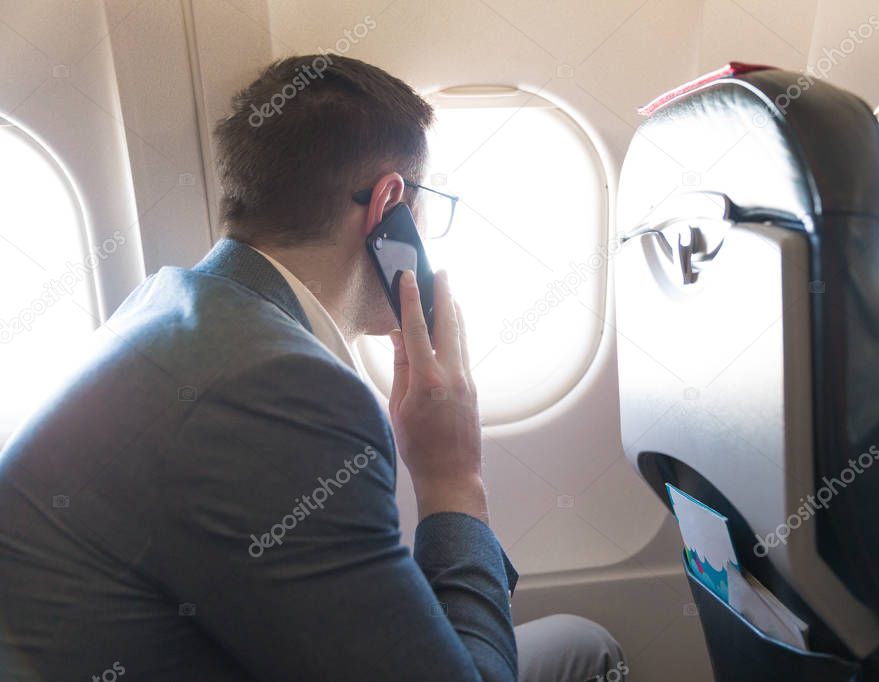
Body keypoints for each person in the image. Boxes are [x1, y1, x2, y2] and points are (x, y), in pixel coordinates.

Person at [0, 54, 626, 682]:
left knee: (576, 642)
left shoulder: (168, 302)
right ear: (389, 205)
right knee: (590, 653)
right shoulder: (285, 391)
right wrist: (452, 477)